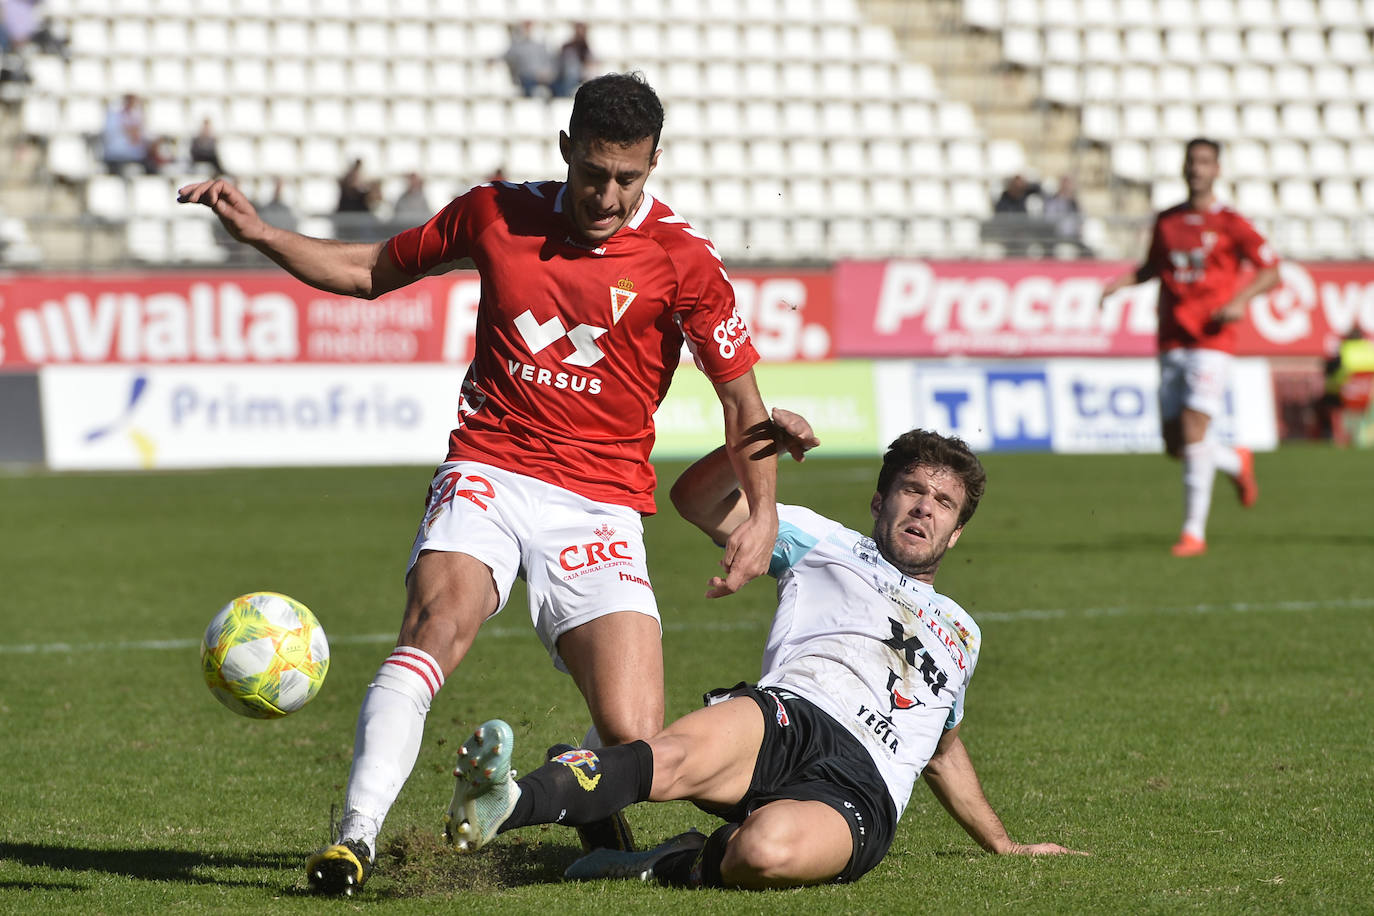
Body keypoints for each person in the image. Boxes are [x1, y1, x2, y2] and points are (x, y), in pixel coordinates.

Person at [177, 72, 778, 896]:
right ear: (566, 149)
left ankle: (574, 785)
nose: (606, 195)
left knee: (636, 743)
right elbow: (367, 271)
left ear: (653, 166)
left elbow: (743, 400)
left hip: (600, 503)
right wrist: (260, 235)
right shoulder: (494, 214)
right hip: (490, 467)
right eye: (593, 171)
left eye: (627, 178)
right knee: (436, 626)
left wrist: (764, 515)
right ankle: (356, 837)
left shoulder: (683, 260)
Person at [443, 410, 1085, 889]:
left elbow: (941, 748)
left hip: (862, 785)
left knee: (764, 853)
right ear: (880, 499)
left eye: (944, 503)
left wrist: (1003, 844)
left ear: (957, 529)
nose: (925, 509)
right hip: (787, 714)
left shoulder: (963, 633)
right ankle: (505, 802)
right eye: (912, 490)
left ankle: (672, 859)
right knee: (664, 757)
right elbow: (694, 501)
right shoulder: (820, 540)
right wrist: (758, 444)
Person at [1099, 137, 1280, 557]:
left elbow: (1271, 269)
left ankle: (1193, 533)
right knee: (1174, 444)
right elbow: (1151, 268)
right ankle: (1236, 461)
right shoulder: (1168, 221)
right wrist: (1119, 283)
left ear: (1217, 169)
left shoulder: (1233, 223)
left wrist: (1239, 302)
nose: (1196, 169)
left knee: (1195, 429)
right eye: (1191, 162)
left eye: (1204, 162)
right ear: (1183, 169)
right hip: (1172, 337)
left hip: (1212, 340)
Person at [100, 93, 151, 175]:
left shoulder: (139, 116)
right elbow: (111, 134)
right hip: (116, 155)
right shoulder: (113, 116)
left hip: (136, 156)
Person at [503, 20, 554, 97]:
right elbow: (509, 59)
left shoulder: (541, 45)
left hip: (542, 78)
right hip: (526, 78)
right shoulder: (517, 46)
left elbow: (548, 62)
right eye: (526, 27)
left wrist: (545, 73)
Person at [553, 22, 596, 98]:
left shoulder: (585, 47)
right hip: (566, 76)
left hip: (579, 76)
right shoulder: (568, 47)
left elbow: (590, 62)